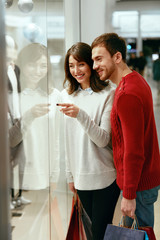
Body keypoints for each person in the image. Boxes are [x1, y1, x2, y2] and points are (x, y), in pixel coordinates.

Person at [91, 32, 160, 228]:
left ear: (117, 57)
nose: (95, 66)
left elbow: (134, 150)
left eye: (99, 59)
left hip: (138, 186)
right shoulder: (135, 80)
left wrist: (129, 194)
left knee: (139, 234)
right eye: (93, 60)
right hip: (141, 182)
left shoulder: (126, 94)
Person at [58, 42, 120, 240]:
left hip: (105, 177)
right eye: (71, 66)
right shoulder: (66, 95)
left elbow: (103, 140)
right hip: (80, 178)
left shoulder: (109, 93)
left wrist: (80, 115)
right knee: (91, 232)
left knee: (100, 234)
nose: (76, 70)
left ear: (91, 64)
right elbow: (66, 140)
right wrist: (70, 175)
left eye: (81, 64)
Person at [17, 43, 61, 191]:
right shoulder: (12, 97)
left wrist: (55, 173)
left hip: (46, 172)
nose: (37, 71)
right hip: (17, 174)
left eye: (43, 66)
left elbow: (57, 138)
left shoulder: (55, 96)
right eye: (32, 65)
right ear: (22, 65)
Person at [6, 35, 31, 209]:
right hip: (6, 120)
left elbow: (18, 93)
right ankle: (8, 198)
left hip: (18, 117)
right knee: (7, 161)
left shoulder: (16, 70)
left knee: (21, 158)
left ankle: (18, 195)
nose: (12, 53)